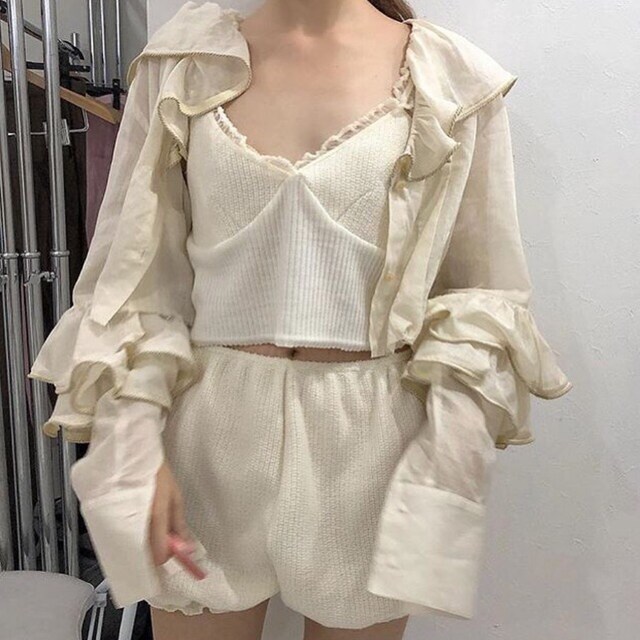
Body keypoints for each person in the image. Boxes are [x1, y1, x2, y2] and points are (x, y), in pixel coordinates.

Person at [28, 1, 573, 639]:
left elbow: (482, 290)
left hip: (373, 446)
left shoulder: (452, 80)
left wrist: (447, 464)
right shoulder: (187, 64)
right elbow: (134, 274)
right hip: (206, 437)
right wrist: (133, 444)